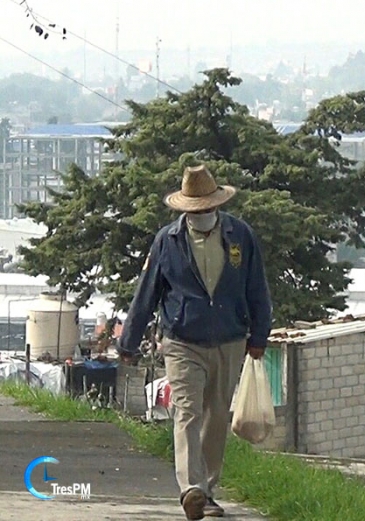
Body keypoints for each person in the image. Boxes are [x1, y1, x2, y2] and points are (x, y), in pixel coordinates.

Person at [117, 164, 272, 520]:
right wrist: (129, 341)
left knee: (217, 416)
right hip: (182, 341)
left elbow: (257, 289)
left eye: (206, 209)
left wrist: (259, 336)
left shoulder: (240, 236)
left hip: (230, 339)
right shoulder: (166, 241)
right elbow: (147, 294)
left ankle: (208, 490)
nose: (200, 215)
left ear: (216, 206)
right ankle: (192, 488)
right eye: (194, 210)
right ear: (184, 210)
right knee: (187, 411)